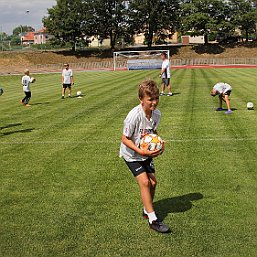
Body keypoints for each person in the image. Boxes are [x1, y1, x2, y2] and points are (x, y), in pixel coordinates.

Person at [119, 80, 170, 233]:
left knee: (153, 183)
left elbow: (153, 133)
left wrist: (159, 143)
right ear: (141, 99)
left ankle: (146, 210)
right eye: (150, 99)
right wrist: (140, 151)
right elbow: (124, 138)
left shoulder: (157, 114)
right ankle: (153, 219)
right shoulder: (134, 116)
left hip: (145, 153)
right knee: (144, 182)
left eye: (156, 98)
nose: (154, 103)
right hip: (132, 154)